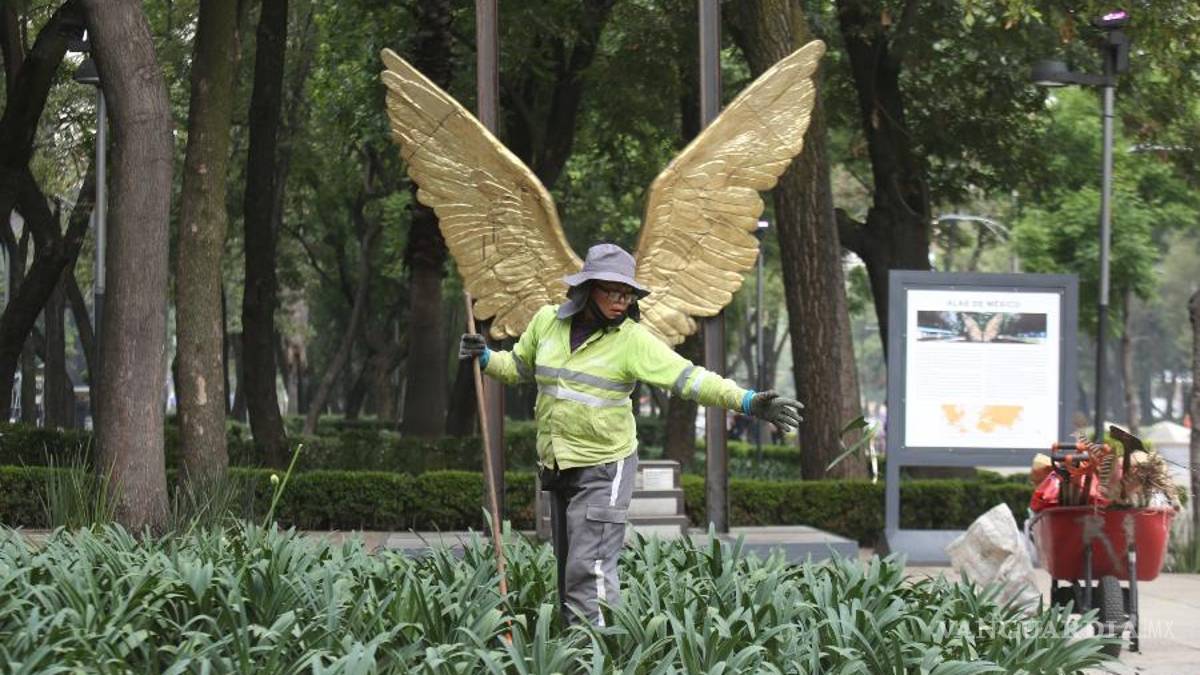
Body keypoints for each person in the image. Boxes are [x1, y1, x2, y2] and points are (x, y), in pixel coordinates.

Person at [458, 243, 803, 626]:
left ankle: (596, 649)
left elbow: (690, 379)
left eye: (628, 294)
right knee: (569, 565)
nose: (622, 301)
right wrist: (486, 358)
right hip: (557, 465)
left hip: (604, 468)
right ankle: (573, 646)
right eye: (614, 292)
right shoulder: (546, 323)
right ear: (587, 288)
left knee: (589, 567)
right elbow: (518, 368)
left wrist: (748, 401)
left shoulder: (631, 340)